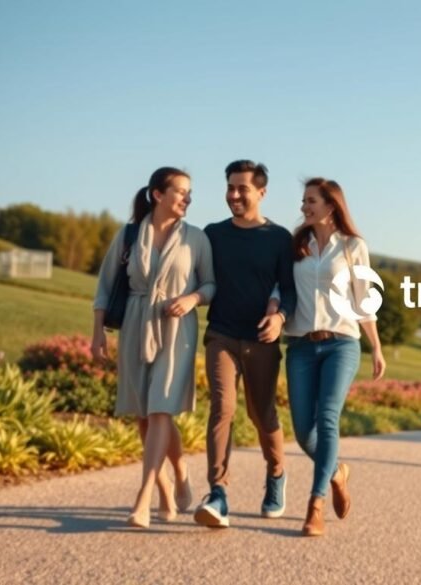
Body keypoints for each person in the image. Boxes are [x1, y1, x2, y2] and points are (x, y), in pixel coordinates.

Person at [92, 167, 215, 528]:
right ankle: (175, 475)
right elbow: (105, 286)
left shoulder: (197, 239)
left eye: (190, 193)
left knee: (161, 409)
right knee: (145, 415)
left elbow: (210, 284)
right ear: (157, 194)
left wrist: (192, 298)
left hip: (178, 330)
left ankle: (142, 499)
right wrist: (98, 333)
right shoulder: (130, 235)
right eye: (180, 191)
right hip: (134, 324)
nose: (187, 198)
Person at [271, 177, 386, 537]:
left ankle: (315, 504)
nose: (304, 207)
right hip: (301, 345)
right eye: (303, 201)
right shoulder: (296, 245)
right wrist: (275, 306)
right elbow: (282, 286)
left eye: (311, 201)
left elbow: (363, 298)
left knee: (328, 419)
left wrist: (376, 347)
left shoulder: (353, 246)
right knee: (304, 431)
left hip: (342, 343)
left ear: (331, 205)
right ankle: (336, 472)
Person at [193, 160, 296, 529]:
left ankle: (277, 474)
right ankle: (217, 493)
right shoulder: (213, 234)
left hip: (261, 339)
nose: (234, 195)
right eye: (230, 187)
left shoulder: (279, 238)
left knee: (261, 413)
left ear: (262, 192)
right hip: (221, 333)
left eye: (243, 189)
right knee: (222, 408)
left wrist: (280, 317)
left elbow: (288, 289)